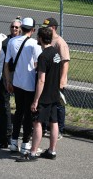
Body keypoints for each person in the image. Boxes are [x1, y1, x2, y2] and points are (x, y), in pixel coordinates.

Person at [16, 26, 61, 162]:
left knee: (37, 123)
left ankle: (33, 153)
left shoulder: (43, 56)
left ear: (41, 38)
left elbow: (41, 80)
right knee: (54, 122)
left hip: (44, 96)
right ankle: (52, 151)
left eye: (38, 37)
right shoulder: (56, 53)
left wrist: (36, 100)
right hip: (54, 94)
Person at [4, 17, 42, 155]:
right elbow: (38, 65)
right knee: (28, 114)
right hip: (30, 84)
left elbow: (7, 64)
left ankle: (14, 142)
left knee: (18, 112)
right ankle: (26, 143)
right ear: (33, 29)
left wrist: (8, 81)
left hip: (17, 83)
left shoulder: (12, 41)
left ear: (21, 28)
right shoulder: (34, 44)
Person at [41, 17, 70, 140]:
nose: (44, 29)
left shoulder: (60, 42)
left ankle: (60, 130)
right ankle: (46, 127)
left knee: (58, 106)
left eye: (46, 27)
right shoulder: (47, 40)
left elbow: (65, 62)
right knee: (48, 104)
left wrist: (62, 81)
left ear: (53, 28)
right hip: (48, 80)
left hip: (57, 81)